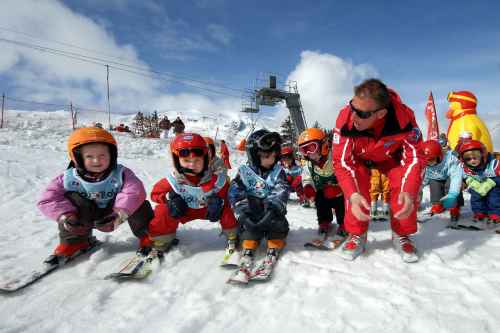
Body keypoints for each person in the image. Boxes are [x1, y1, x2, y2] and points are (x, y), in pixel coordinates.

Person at [332, 78, 425, 263]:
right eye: (353, 108)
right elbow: (342, 161)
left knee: (405, 186)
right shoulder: (346, 118)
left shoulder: (404, 120)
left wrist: (409, 190)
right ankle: (357, 234)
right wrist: (352, 194)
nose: (354, 117)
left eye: (362, 114)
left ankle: (402, 234)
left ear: (381, 113)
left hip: (391, 157)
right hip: (360, 158)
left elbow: (415, 158)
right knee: (355, 185)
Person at [37, 127, 153, 261]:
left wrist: (119, 214)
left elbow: (135, 191)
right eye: (89, 156)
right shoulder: (67, 178)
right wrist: (66, 217)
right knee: (69, 199)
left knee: (139, 204)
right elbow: (48, 199)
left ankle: (149, 235)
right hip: (83, 216)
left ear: (112, 155)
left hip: (115, 213)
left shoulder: (121, 173)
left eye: (102, 155)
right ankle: (75, 242)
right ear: (77, 158)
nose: (97, 161)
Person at [147, 133, 238, 255]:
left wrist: (220, 202)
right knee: (162, 210)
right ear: (177, 160)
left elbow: (228, 197)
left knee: (226, 210)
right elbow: (155, 194)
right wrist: (169, 199)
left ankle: (233, 236)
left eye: (197, 160)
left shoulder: (216, 180)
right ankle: (161, 239)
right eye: (186, 160)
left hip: (208, 211)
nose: (192, 165)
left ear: (205, 160)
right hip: (183, 211)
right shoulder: (173, 181)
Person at [229, 129, 289, 278]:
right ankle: (248, 247)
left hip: (271, 213)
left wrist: (274, 207)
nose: (272, 159)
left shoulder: (278, 172)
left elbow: (281, 189)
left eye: (274, 155)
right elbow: (235, 191)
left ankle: (274, 244)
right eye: (267, 156)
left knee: (278, 225)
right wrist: (243, 211)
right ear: (255, 155)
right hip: (253, 212)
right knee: (249, 229)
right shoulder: (245, 173)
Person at [298, 128, 347, 245]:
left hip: (340, 192)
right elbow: (306, 177)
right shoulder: (309, 164)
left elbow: (347, 175)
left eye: (311, 148)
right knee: (320, 200)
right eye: (304, 150)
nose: (309, 154)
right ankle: (324, 222)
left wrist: (339, 187)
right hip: (323, 192)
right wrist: (308, 187)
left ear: (323, 145)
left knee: (341, 204)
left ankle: (344, 224)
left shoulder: (335, 158)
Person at [458, 139, 500, 228]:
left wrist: (490, 183)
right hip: (478, 184)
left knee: (493, 197)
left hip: (493, 185)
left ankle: (495, 214)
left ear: (483, 155)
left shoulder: (493, 164)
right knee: (475, 195)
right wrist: (470, 181)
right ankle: (479, 213)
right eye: (468, 159)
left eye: (475, 157)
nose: (472, 161)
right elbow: (465, 176)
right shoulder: (466, 168)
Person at [421, 139, 464, 225]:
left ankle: (454, 207)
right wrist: (419, 187)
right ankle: (438, 204)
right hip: (437, 178)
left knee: (451, 185)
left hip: (450, 176)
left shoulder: (450, 160)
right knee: (434, 184)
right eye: (426, 161)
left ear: (439, 156)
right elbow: (424, 177)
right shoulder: (427, 165)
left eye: (431, 159)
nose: (429, 163)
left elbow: (456, 178)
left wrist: (453, 194)